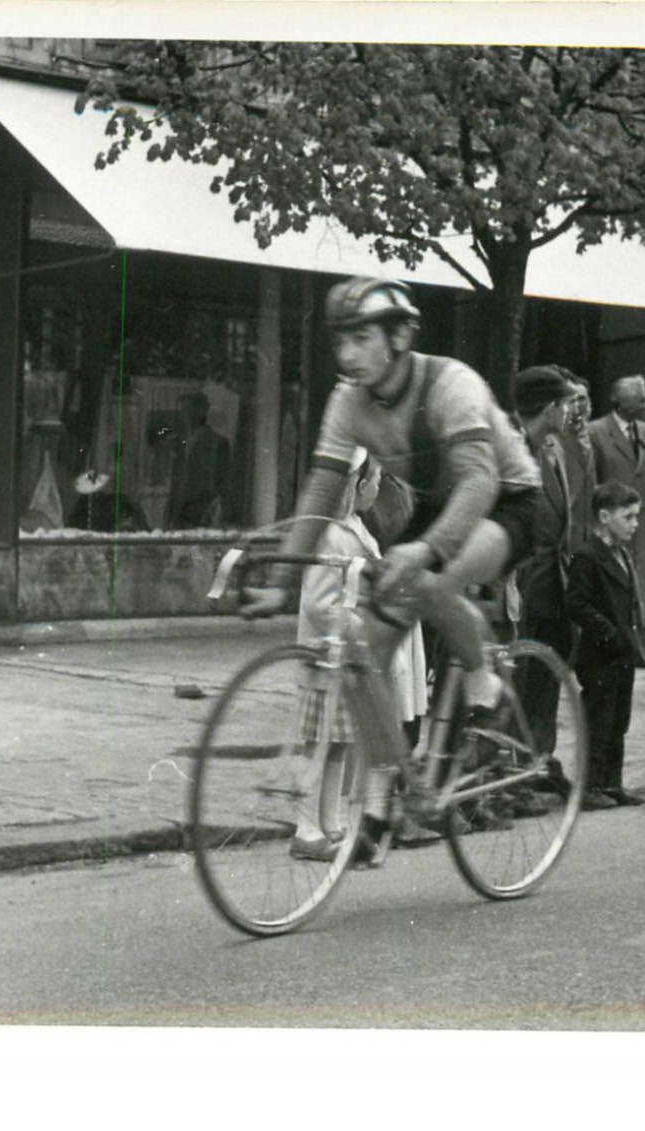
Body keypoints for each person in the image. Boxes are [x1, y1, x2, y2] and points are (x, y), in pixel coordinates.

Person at [240, 277, 540, 822]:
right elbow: (323, 487)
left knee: (428, 583)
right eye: (340, 341)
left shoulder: (452, 384)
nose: (347, 355)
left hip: (508, 499)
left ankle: (486, 685)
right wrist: (282, 580)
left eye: (361, 339)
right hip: (438, 507)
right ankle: (384, 802)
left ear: (399, 337)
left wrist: (425, 550)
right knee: (365, 652)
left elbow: (479, 483)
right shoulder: (348, 401)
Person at [290, 448, 431, 861]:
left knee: (342, 746)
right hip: (326, 659)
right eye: (373, 481)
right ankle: (306, 827)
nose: (377, 488)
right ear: (355, 485)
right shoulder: (330, 534)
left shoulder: (354, 528)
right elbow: (319, 603)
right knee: (321, 747)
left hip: (345, 663)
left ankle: (329, 824)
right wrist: (356, 624)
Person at [565, 481, 645, 810]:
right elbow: (576, 603)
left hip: (622, 653)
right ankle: (589, 785)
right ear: (604, 516)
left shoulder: (621, 555)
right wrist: (608, 633)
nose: (635, 523)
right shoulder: (588, 556)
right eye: (628, 517)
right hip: (600, 654)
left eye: (636, 516)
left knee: (619, 720)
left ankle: (612, 783)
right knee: (599, 720)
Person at [511, 366, 579, 758]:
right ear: (550, 407)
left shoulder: (551, 448)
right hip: (522, 583)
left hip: (553, 583)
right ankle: (510, 774)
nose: (570, 412)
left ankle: (538, 763)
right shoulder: (514, 449)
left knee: (545, 678)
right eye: (566, 404)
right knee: (515, 682)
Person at [588, 375, 645, 624]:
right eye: (641, 399)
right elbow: (592, 482)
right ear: (620, 402)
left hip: (643, 525)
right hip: (613, 525)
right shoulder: (596, 432)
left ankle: (640, 629)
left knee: (640, 584)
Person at [169, 390, 232, 528]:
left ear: (202, 411)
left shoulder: (217, 443)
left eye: (188, 409)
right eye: (183, 410)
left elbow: (223, 484)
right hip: (179, 516)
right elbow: (177, 479)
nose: (184, 414)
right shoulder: (180, 442)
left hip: (202, 516)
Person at [559, 372, 599, 558]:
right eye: (572, 401)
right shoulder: (554, 439)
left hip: (589, 533)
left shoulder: (595, 437)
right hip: (564, 536)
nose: (578, 407)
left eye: (582, 400)